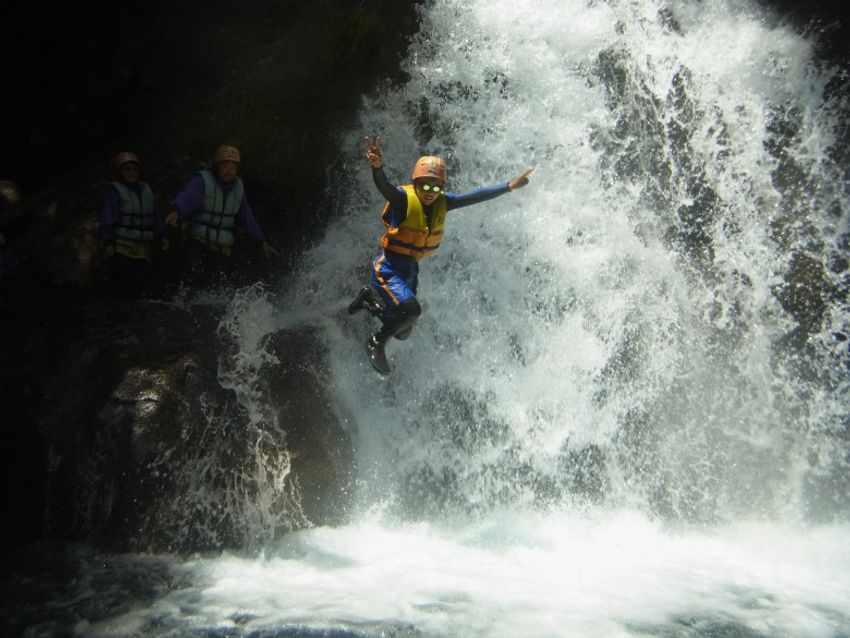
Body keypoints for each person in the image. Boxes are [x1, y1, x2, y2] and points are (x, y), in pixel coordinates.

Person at [348, 135, 534, 375]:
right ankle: (375, 342)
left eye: (436, 187)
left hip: (410, 271)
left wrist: (509, 185)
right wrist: (377, 167)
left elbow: (475, 196)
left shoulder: (443, 203)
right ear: (415, 183)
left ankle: (368, 301)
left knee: (403, 331)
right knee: (412, 311)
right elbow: (384, 187)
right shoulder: (403, 199)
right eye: (425, 185)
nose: (429, 192)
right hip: (389, 268)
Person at [164, 144, 280, 291]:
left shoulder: (238, 187)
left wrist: (261, 242)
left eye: (233, 167)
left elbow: (247, 217)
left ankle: (206, 303)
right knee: (192, 269)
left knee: (216, 278)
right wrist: (176, 212)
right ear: (217, 166)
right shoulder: (202, 180)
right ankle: (181, 297)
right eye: (225, 166)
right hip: (197, 239)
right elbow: (187, 198)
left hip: (220, 244)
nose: (229, 171)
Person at [98, 151, 168, 297]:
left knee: (142, 281)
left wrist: (162, 235)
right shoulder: (114, 192)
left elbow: (156, 214)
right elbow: (107, 218)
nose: (132, 172)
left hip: (144, 246)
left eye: (134, 169)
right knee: (123, 280)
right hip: (123, 246)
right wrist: (108, 243)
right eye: (127, 169)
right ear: (120, 171)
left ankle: (138, 309)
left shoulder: (146, 189)